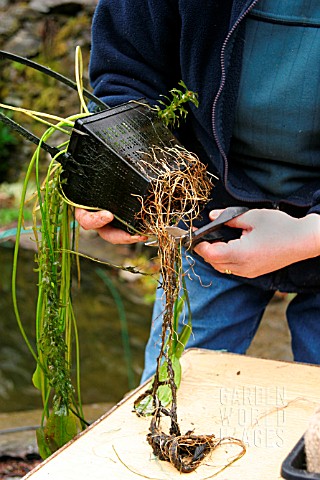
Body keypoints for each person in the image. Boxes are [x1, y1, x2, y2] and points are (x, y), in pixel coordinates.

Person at [76, 0, 320, 382]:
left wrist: (313, 234)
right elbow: (129, 71)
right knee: (171, 395)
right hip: (208, 216)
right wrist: (120, 171)